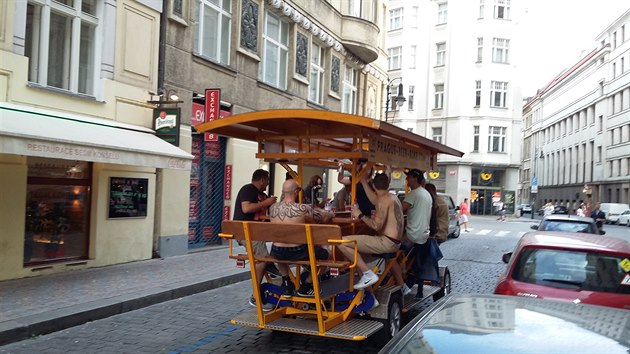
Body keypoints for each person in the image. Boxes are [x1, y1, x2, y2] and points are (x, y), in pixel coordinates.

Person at [337, 173, 404, 291]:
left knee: (341, 242)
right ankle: (370, 296)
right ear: (387, 184)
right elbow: (374, 200)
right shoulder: (392, 197)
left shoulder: (383, 200)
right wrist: (363, 181)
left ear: (373, 185)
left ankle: (368, 274)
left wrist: (360, 214)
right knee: (357, 257)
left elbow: (376, 226)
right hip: (394, 242)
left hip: (386, 242)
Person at [269, 179, 334, 297]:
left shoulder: (273, 208)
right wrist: (330, 214)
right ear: (295, 192)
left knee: (280, 245)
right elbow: (322, 218)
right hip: (298, 252)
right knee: (327, 254)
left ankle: (286, 282)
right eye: (299, 190)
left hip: (276, 252)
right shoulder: (302, 208)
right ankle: (307, 285)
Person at [233, 169, 279, 310]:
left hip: (256, 232)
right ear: (262, 180)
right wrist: (266, 203)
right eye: (267, 181)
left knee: (275, 253)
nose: (267, 184)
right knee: (263, 258)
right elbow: (246, 209)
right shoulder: (248, 189)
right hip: (246, 232)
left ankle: (277, 280)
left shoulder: (260, 194)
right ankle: (255, 295)